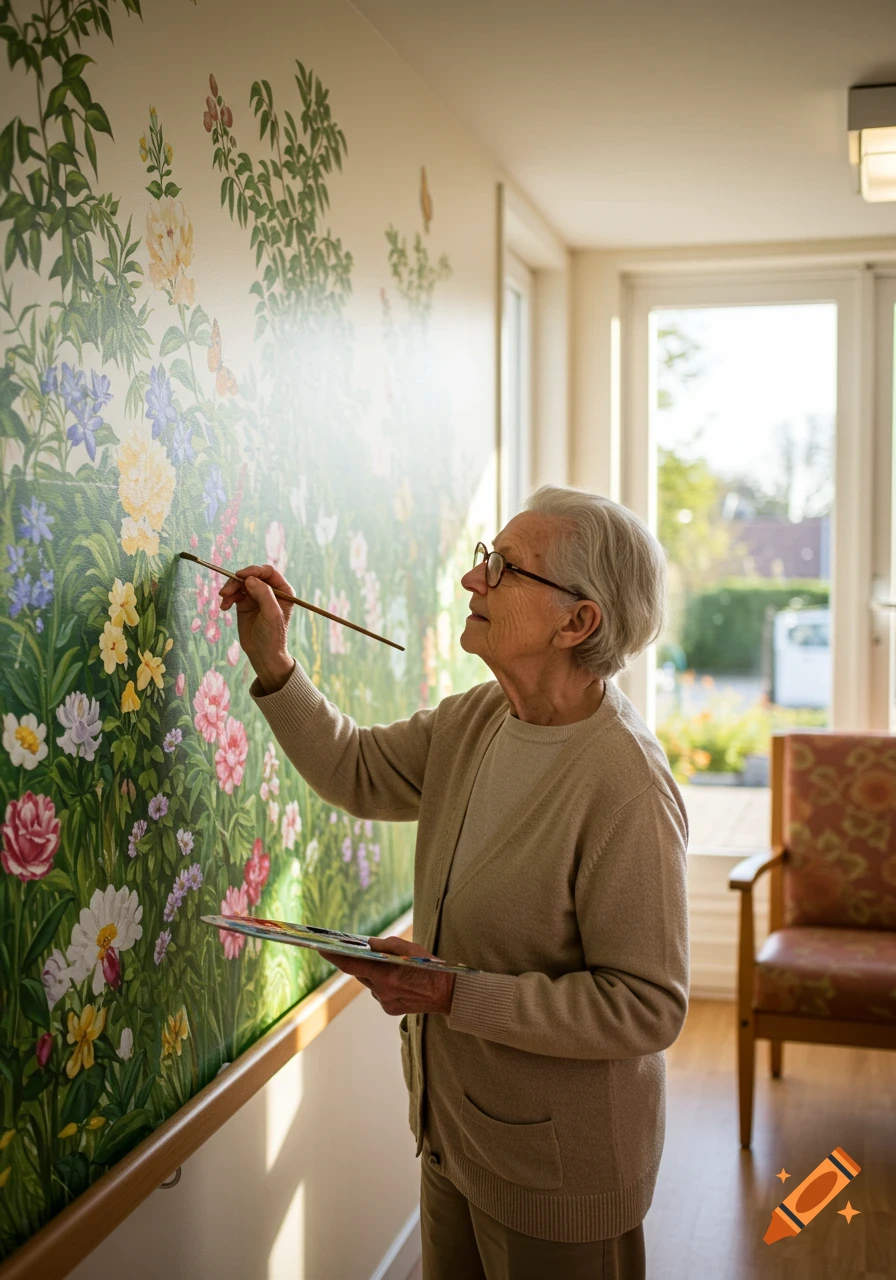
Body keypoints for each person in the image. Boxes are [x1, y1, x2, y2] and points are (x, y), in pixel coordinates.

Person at [221, 485, 689, 1280]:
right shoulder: (477, 718)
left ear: (579, 623)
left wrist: (449, 994)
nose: (474, 581)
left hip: (562, 1176)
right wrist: (273, 662)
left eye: (505, 568)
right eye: (485, 557)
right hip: (456, 1139)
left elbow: (646, 1007)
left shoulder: (627, 787)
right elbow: (359, 771)